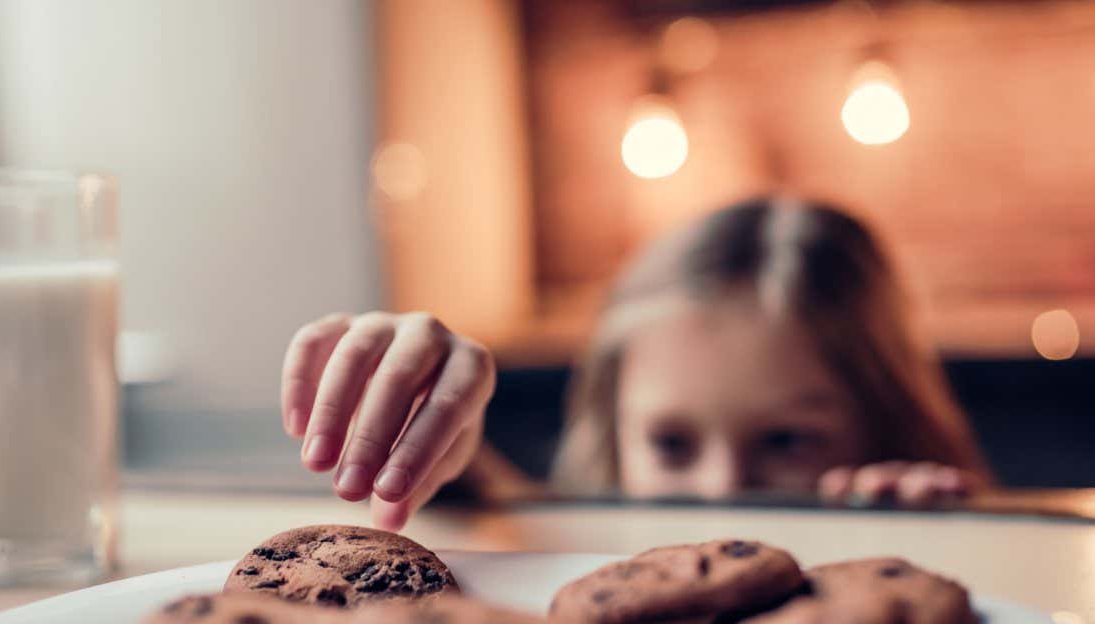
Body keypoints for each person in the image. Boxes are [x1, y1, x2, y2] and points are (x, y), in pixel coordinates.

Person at [280, 198, 986, 530]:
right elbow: (511, 514)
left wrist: (933, 530)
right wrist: (434, 437)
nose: (720, 492)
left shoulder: (914, 530)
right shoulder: (586, 559)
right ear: (612, 430)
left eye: (785, 441)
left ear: (883, 416)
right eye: (671, 444)